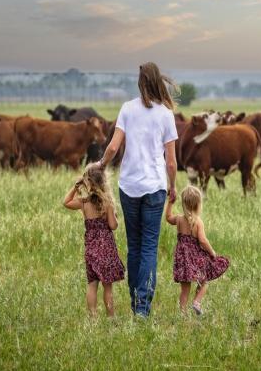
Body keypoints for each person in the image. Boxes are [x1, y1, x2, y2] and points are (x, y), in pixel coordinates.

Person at [95, 62, 178, 317]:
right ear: (157, 82)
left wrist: (101, 165)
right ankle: (142, 308)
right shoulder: (166, 113)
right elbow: (172, 161)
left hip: (129, 186)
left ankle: (135, 300)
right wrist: (172, 187)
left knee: (134, 246)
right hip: (155, 187)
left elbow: (112, 147)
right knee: (149, 247)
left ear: (140, 82)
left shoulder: (127, 109)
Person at [63, 164, 125, 318]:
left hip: (91, 250)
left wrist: (76, 186)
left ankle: (93, 318)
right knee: (107, 286)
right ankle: (111, 317)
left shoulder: (84, 203)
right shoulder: (107, 203)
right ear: (103, 182)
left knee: (92, 285)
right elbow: (113, 225)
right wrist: (115, 217)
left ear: (88, 183)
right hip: (106, 250)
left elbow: (66, 202)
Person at [165, 185, 229, 315]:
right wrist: (212, 253)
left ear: (183, 203)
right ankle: (197, 302)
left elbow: (168, 217)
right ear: (198, 204)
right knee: (203, 281)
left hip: (183, 259)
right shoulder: (198, 222)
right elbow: (203, 241)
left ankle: (182, 314)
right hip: (196, 259)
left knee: (185, 289)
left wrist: (170, 202)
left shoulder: (179, 219)